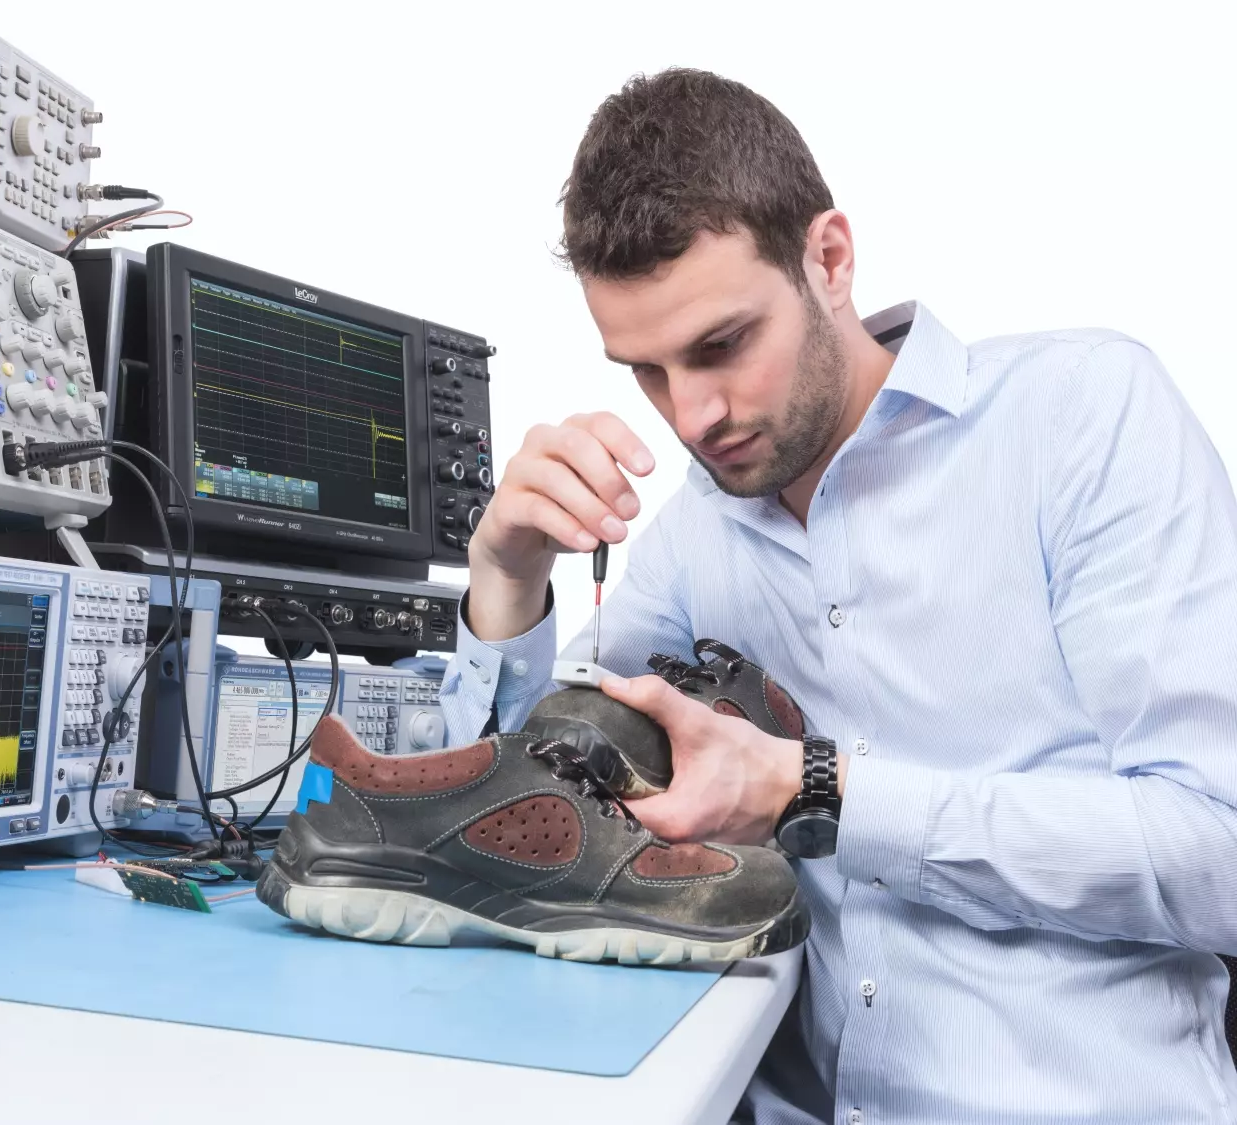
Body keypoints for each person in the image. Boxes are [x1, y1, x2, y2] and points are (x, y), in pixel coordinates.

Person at [438, 67, 1237, 1124]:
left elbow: (1216, 848)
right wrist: (507, 576)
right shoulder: (698, 531)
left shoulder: (1082, 418)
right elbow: (515, 791)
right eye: (648, 370)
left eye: (722, 347)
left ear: (830, 259)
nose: (694, 414)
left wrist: (819, 787)